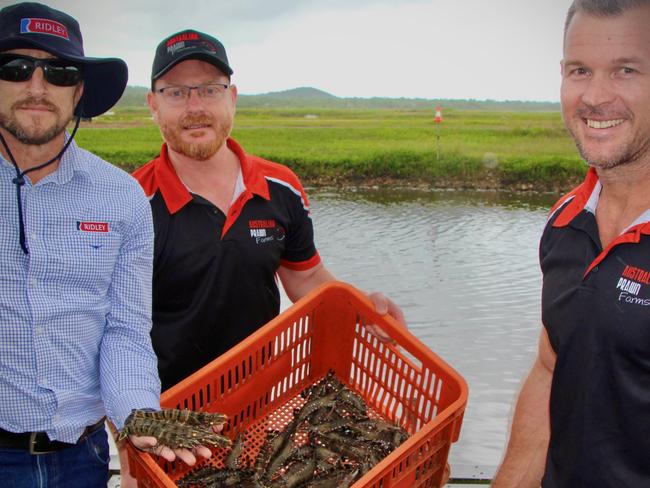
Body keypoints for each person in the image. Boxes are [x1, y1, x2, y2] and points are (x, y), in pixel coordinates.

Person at [0, 3, 211, 486]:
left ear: (77, 91)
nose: (36, 87)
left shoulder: (121, 197)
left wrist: (140, 417)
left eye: (58, 72)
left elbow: (125, 330)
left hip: (83, 455)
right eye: (14, 68)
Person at [493, 1, 650, 486]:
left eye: (626, 69)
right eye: (579, 70)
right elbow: (550, 367)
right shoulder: (565, 222)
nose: (595, 97)